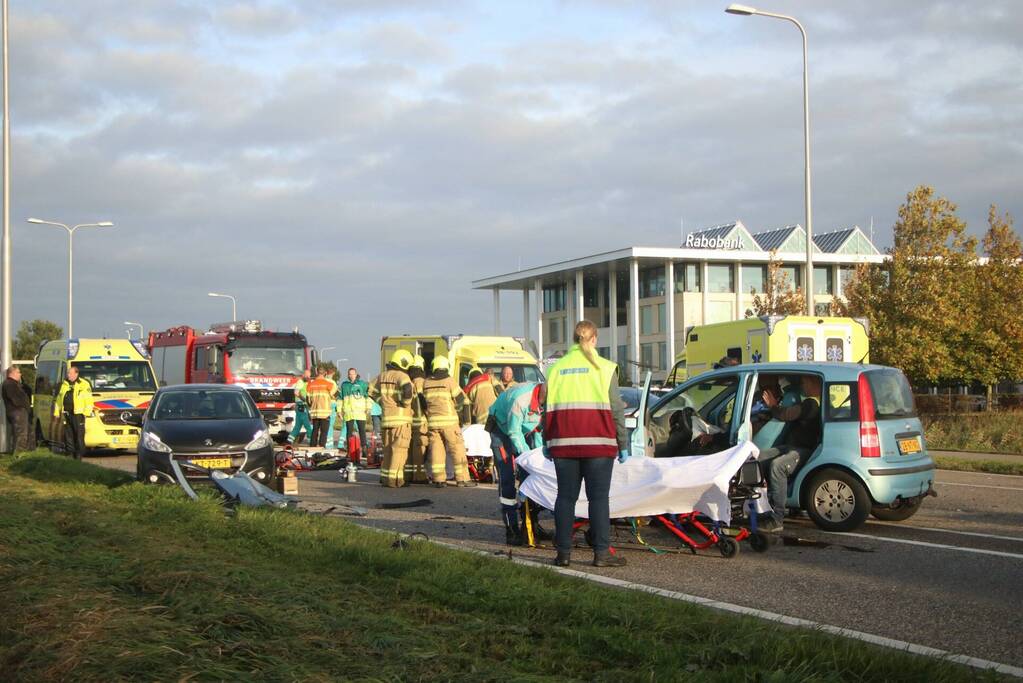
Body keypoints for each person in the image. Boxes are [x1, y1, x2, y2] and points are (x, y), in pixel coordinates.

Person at [544, 320, 628, 568]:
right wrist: (623, 443)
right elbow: (617, 410)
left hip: (563, 443)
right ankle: (601, 554)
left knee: (565, 498)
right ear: (594, 339)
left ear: (573, 339)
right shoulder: (605, 367)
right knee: (598, 499)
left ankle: (563, 555)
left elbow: (546, 409)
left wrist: (547, 442)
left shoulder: (556, 369)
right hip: (599, 444)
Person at [757, 374, 823, 532]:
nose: (803, 386)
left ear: (814, 384)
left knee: (777, 466)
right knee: (756, 459)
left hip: (803, 450)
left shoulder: (812, 404)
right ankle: (759, 507)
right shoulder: (809, 402)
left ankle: (777, 518)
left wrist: (773, 405)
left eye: (805, 382)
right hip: (791, 446)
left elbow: (786, 414)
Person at [488, 380, 546, 545]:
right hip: (502, 430)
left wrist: (539, 458)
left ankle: (531, 525)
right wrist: (528, 455)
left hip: (525, 429)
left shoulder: (549, 400)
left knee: (531, 476)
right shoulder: (521, 400)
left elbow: (540, 430)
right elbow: (514, 432)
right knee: (507, 478)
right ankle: (511, 528)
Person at [422, 356, 474, 487]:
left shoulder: (426, 383)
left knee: (436, 451)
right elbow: (462, 400)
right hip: (450, 423)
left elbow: (423, 403)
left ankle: (439, 480)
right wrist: (458, 413)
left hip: (433, 423)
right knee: (457, 449)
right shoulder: (449, 381)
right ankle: (462, 479)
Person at [369, 350, 415, 487]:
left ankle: (384, 478)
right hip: (400, 421)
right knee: (399, 450)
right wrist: (405, 404)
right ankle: (396, 480)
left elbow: (369, 391)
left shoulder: (382, 376)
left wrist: (381, 401)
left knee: (388, 450)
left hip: (387, 420)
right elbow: (407, 391)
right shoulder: (402, 376)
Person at [54, 366, 93, 460]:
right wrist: (56, 412)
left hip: (78, 414)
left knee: (79, 435)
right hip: (67, 413)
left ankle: (79, 455)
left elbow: (89, 400)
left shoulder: (84, 384)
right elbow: (59, 399)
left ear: (76, 374)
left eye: (71, 373)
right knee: (69, 435)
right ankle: (70, 454)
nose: (69, 375)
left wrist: (87, 413)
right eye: (68, 373)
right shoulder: (64, 384)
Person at [406, 355, 430, 484]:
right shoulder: (420, 380)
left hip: (409, 418)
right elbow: (422, 398)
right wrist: (428, 413)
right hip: (420, 420)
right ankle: (419, 476)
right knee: (419, 447)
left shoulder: (408, 379)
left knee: (409, 448)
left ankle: (408, 474)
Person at [340, 368, 370, 464]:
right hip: (349, 412)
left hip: (360, 412)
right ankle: (350, 451)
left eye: (352, 374)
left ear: (356, 374)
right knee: (349, 432)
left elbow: (367, 397)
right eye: (349, 374)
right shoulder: (344, 385)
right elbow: (340, 399)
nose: (351, 376)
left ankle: (364, 450)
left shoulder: (362, 384)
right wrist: (339, 410)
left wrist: (368, 408)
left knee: (362, 431)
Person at [2, 366, 30, 453]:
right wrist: (22, 406)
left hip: (17, 411)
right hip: (17, 411)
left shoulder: (13, 383)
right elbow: (14, 397)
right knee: (21, 433)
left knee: (18, 433)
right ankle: (19, 453)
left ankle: (17, 452)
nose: (20, 374)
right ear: (12, 373)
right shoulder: (9, 384)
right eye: (18, 372)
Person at [306, 367, 334, 449]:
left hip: (315, 412)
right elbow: (335, 396)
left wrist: (312, 405)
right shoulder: (329, 384)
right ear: (325, 373)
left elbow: (308, 399)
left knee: (315, 430)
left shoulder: (311, 384)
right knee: (324, 432)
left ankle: (312, 446)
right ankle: (322, 446)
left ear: (316, 372)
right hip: (325, 412)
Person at [288, 369, 313, 445]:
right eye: (307, 375)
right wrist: (303, 399)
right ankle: (311, 440)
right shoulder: (300, 382)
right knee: (308, 425)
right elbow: (296, 392)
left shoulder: (305, 382)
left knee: (298, 426)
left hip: (301, 406)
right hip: (301, 405)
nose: (308, 377)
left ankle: (289, 440)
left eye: (309, 376)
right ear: (303, 375)